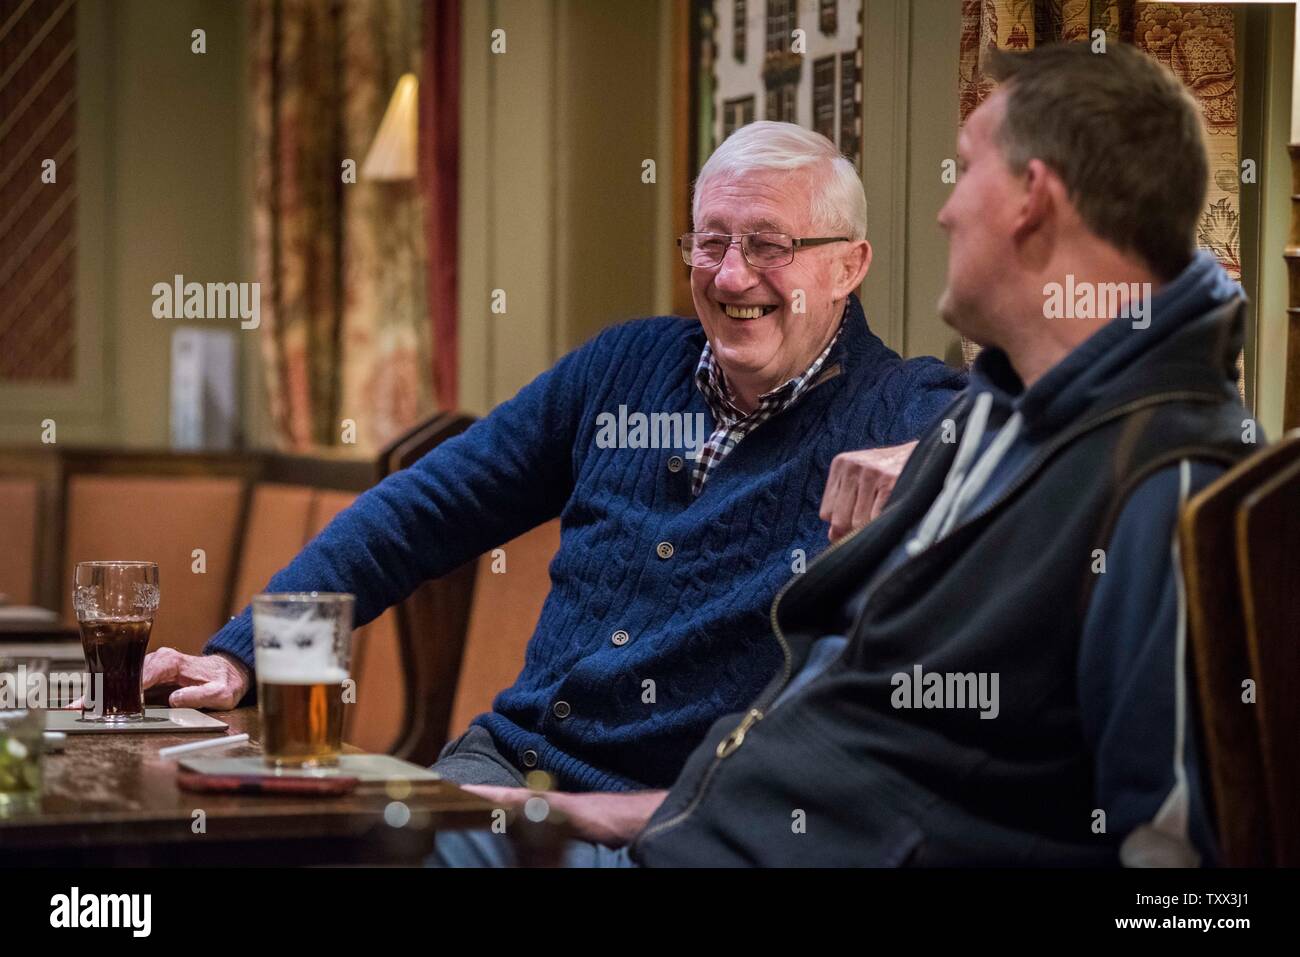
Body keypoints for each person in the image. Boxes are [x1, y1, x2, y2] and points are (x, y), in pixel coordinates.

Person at [436, 41, 1251, 867]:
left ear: (1031, 200)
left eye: (965, 170)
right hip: (664, 832)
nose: (943, 211)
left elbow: (1181, 871)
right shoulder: (1000, 426)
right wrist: (583, 816)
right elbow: (840, 741)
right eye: (711, 240)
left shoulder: (1165, 477)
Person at [142, 121, 965, 793]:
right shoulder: (622, 368)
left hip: (680, 813)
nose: (729, 274)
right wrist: (242, 655)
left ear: (847, 266)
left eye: (768, 245)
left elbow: (1058, 431)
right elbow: (424, 507)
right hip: (502, 767)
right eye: (708, 242)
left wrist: (934, 452)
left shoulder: (900, 406)